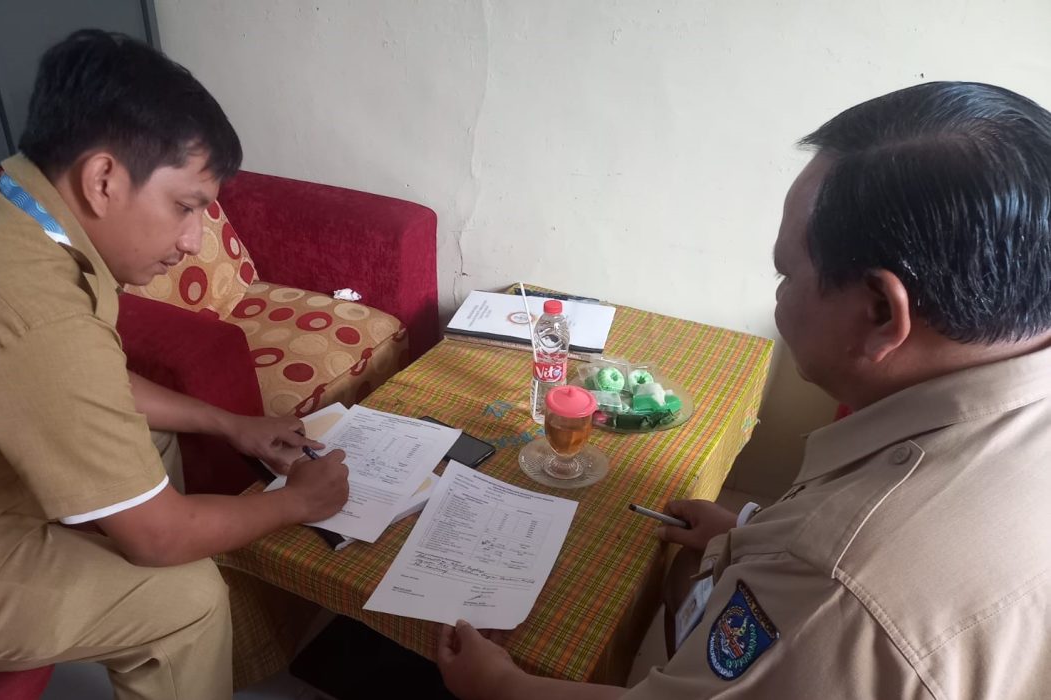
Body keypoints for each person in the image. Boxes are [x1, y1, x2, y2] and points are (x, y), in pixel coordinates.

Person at [437, 81, 1051, 698]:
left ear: (880, 313)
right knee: (682, 572)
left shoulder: (837, 590)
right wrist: (754, 531)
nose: (778, 296)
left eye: (787, 274)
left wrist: (501, 687)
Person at [0, 30, 349, 699]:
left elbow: (81, 380)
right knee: (186, 601)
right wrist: (296, 503)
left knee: (157, 436)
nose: (193, 240)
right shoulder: (34, 310)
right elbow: (159, 539)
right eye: (185, 206)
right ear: (103, 180)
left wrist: (230, 424)